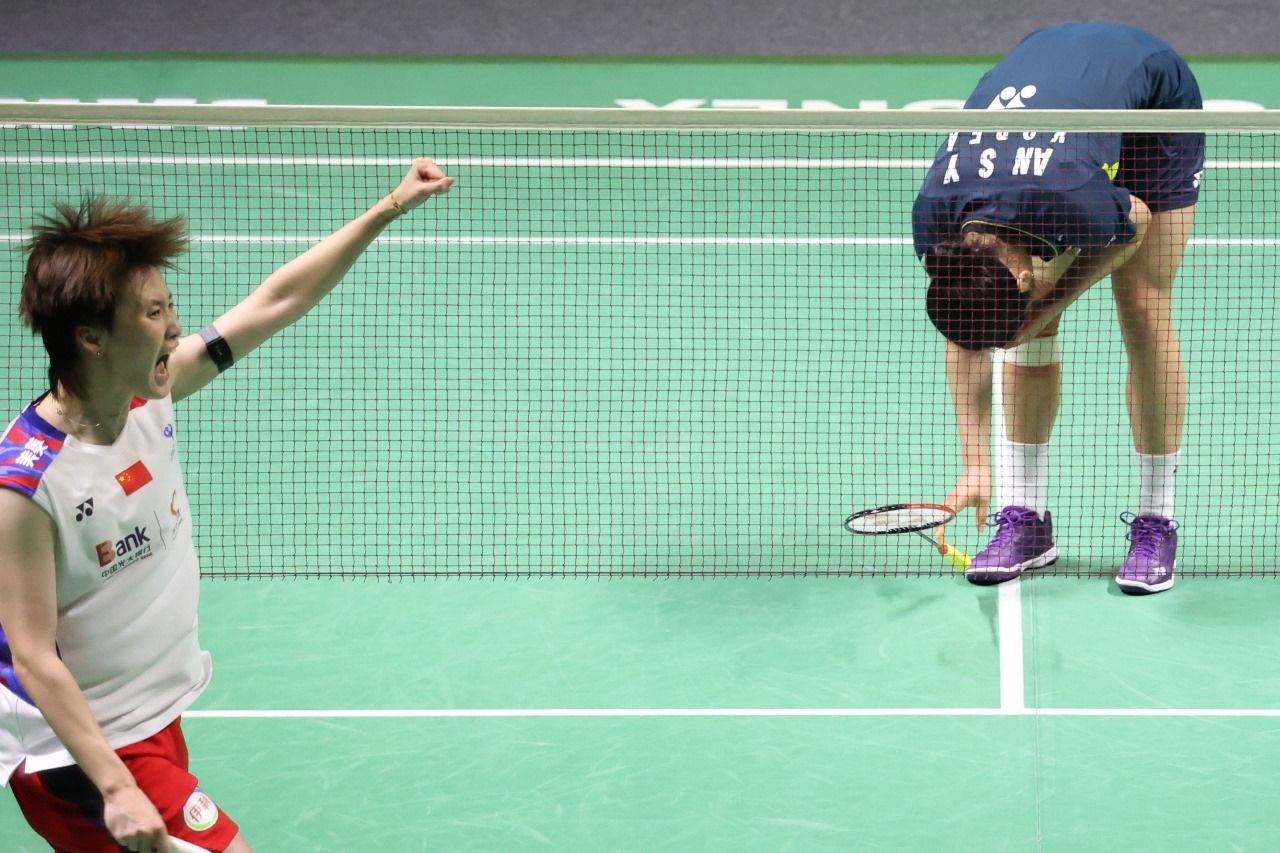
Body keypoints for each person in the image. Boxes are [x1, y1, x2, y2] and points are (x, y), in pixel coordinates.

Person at [0, 158, 454, 852]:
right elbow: (32, 657)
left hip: (151, 716)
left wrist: (388, 208)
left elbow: (276, 300)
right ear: (91, 338)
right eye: (153, 313)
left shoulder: (147, 398)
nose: (175, 327)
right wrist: (115, 787)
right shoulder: (27, 486)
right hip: (82, 749)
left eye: (169, 306)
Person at [911, 22, 1204, 594]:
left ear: (1022, 276)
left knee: (1142, 302)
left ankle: (1156, 520)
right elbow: (965, 333)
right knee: (1012, 316)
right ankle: (1025, 518)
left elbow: (1138, 220)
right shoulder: (935, 222)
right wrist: (976, 464)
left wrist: (1046, 307)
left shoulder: (1072, 200)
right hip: (1048, 85)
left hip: (1152, 95)